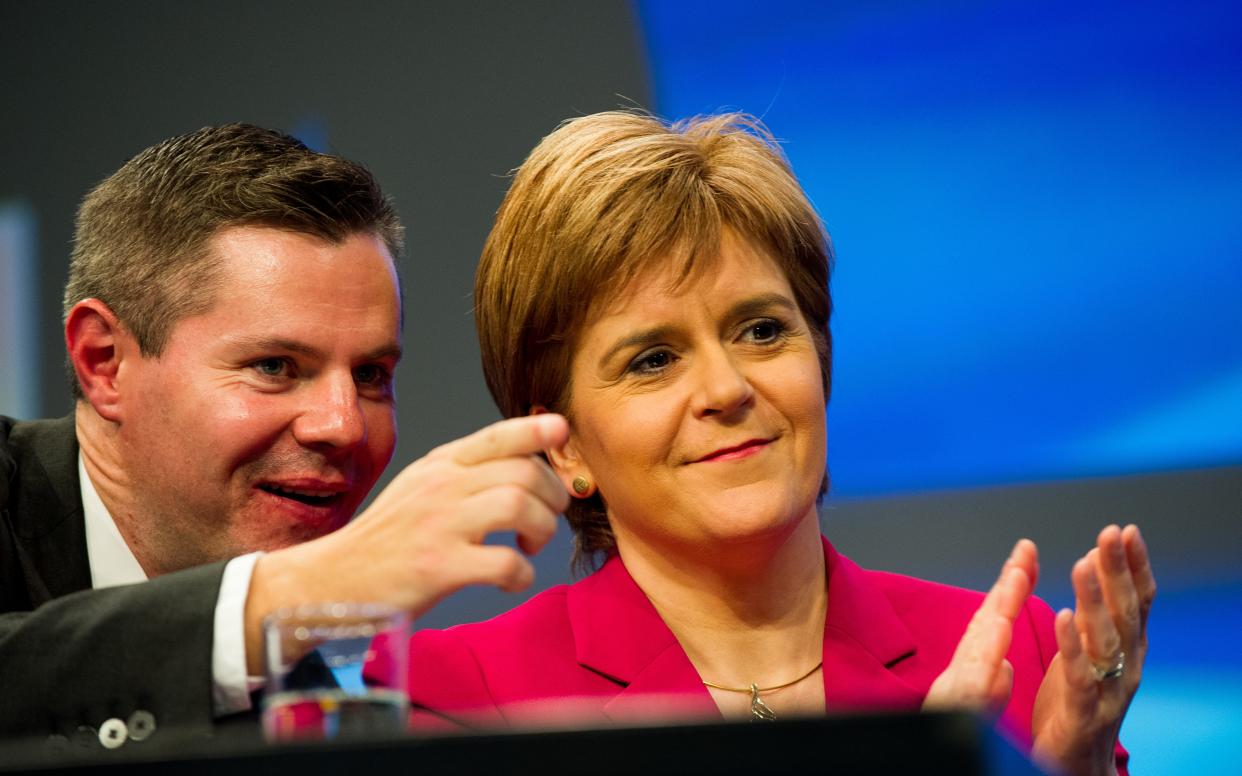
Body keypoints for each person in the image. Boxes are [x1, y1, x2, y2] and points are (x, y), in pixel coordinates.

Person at [405, 112, 1155, 775]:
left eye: (761, 330)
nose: (727, 389)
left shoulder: (1017, 649)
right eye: (653, 360)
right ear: (564, 447)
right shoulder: (466, 699)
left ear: (819, 360)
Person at [0, 124, 569, 751]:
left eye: (372, 374)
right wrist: (297, 594)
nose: (344, 425)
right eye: (274, 366)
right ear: (105, 361)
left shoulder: (357, 682)